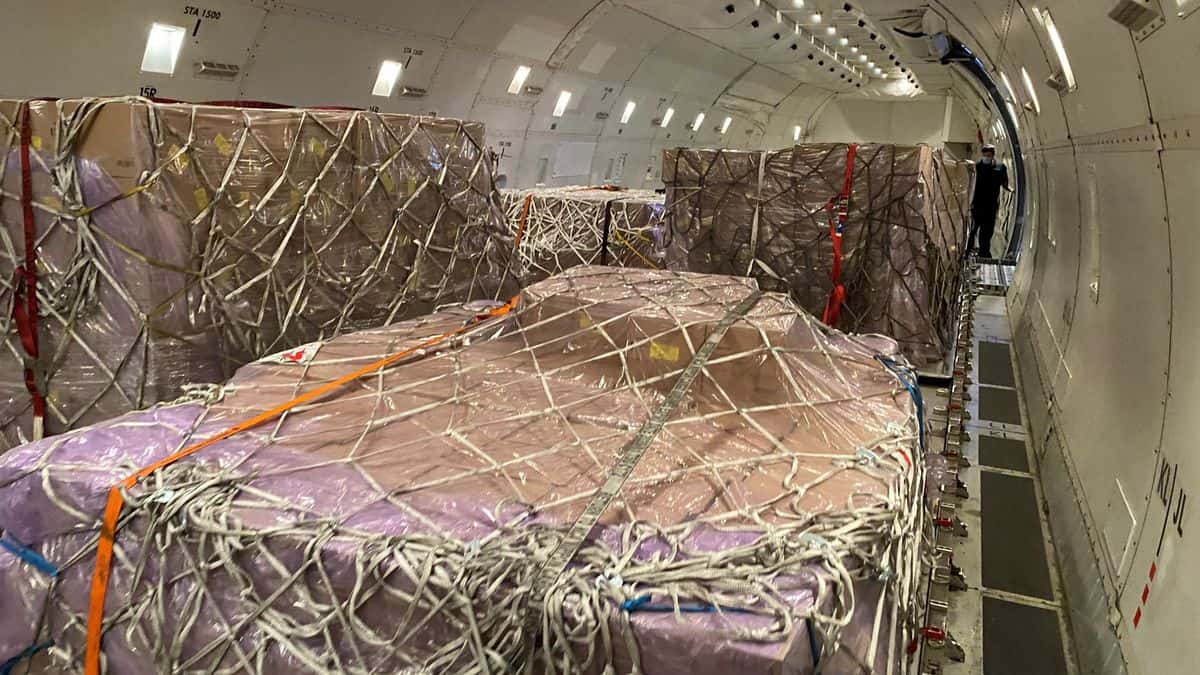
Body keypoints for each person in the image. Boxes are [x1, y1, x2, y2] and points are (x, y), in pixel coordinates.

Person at [969, 144, 1013, 259]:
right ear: (982, 154)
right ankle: (967, 252)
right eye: (985, 154)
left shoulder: (1000, 168)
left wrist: (1010, 189)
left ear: (993, 155)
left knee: (987, 232)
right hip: (977, 204)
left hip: (991, 206)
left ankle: (984, 253)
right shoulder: (976, 167)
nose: (987, 156)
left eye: (989, 154)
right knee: (973, 230)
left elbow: (1005, 183)